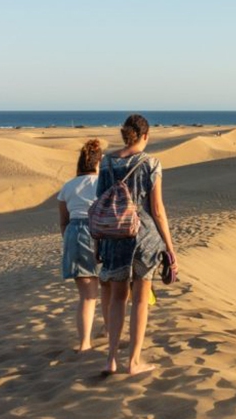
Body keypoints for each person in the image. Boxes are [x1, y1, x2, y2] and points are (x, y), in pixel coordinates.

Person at [97, 114, 177, 376]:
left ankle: (111, 359)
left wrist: (99, 240)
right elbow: (157, 209)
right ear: (145, 135)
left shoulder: (107, 162)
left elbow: (100, 201)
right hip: (144, 238)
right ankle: (133, 362)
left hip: (114, 237)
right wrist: (169, 246)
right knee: (141, 300)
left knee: (117, 298)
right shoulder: (151, 163)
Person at [58, 139, 106, 353]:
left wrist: (69, 242)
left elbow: (63, 222)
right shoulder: (104, 183)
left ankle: (85, 343)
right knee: (108, 288)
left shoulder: (68, 186)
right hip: (102, 233)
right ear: (100, 161)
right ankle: (107, 330)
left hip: (74, 235)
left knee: (87, 296)